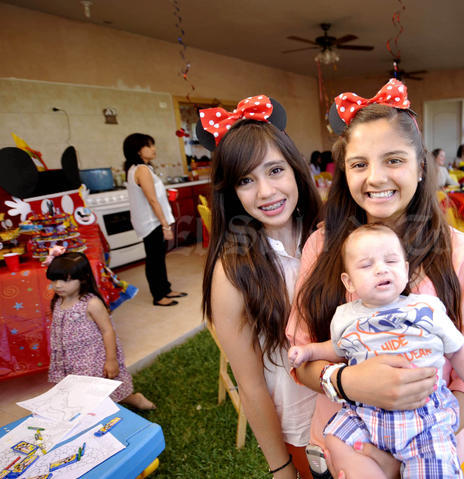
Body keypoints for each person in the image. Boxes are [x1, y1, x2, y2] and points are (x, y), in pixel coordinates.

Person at [287, 79, 464, 479]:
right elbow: (300, 358)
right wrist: (348, 382)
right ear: (345, 172)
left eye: (394, 160)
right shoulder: (321, 246)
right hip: (345, 451)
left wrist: (409, 442)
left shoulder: (462, 257)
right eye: (359, 164)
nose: (375, 178)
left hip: (431, 452)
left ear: (421, 167)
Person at [288, 224, 464, 477]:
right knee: (337, 438)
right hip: (364, 413)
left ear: (406, 269)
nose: (381, 269)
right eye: (366, 265)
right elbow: (336, 347)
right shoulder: (346, 316)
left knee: (435, 464)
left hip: (424, 416)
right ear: (349, 282)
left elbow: (461, 354)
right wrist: (309, 352)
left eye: (391, 260)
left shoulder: (426, 309)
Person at [200, 94, 322, 479]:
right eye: (246, 180)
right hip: (303, 431)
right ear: (230, 192)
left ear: (295, 169)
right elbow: (251, 386)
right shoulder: (233, 272)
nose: (266, 192)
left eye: (274, 171)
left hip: (360, 411)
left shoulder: (328, 235)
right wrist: (281, 467)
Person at [46, 250, 155, 409]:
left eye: (65, 280)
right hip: (70, 360)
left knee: (103, 389)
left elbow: (107, 330)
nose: (58, 285)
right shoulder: (58, 300)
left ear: (83, 280)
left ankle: (134, 400)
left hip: (92, 359)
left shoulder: (91, 303)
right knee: (82, 392)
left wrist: (111, 360)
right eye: (54, 280)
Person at [123, 133, 186, 307]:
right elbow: (152, 201)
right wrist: (165, 225)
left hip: (151, 221)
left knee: (158, 257)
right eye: (149, 146)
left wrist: (165, 194)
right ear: (138, 150)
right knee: (154, 260)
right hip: (152, 223)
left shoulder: (140, 168)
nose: (153, 149)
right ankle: (159, 296)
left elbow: (150, 195)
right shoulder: (141, 170)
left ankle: (165, 289)